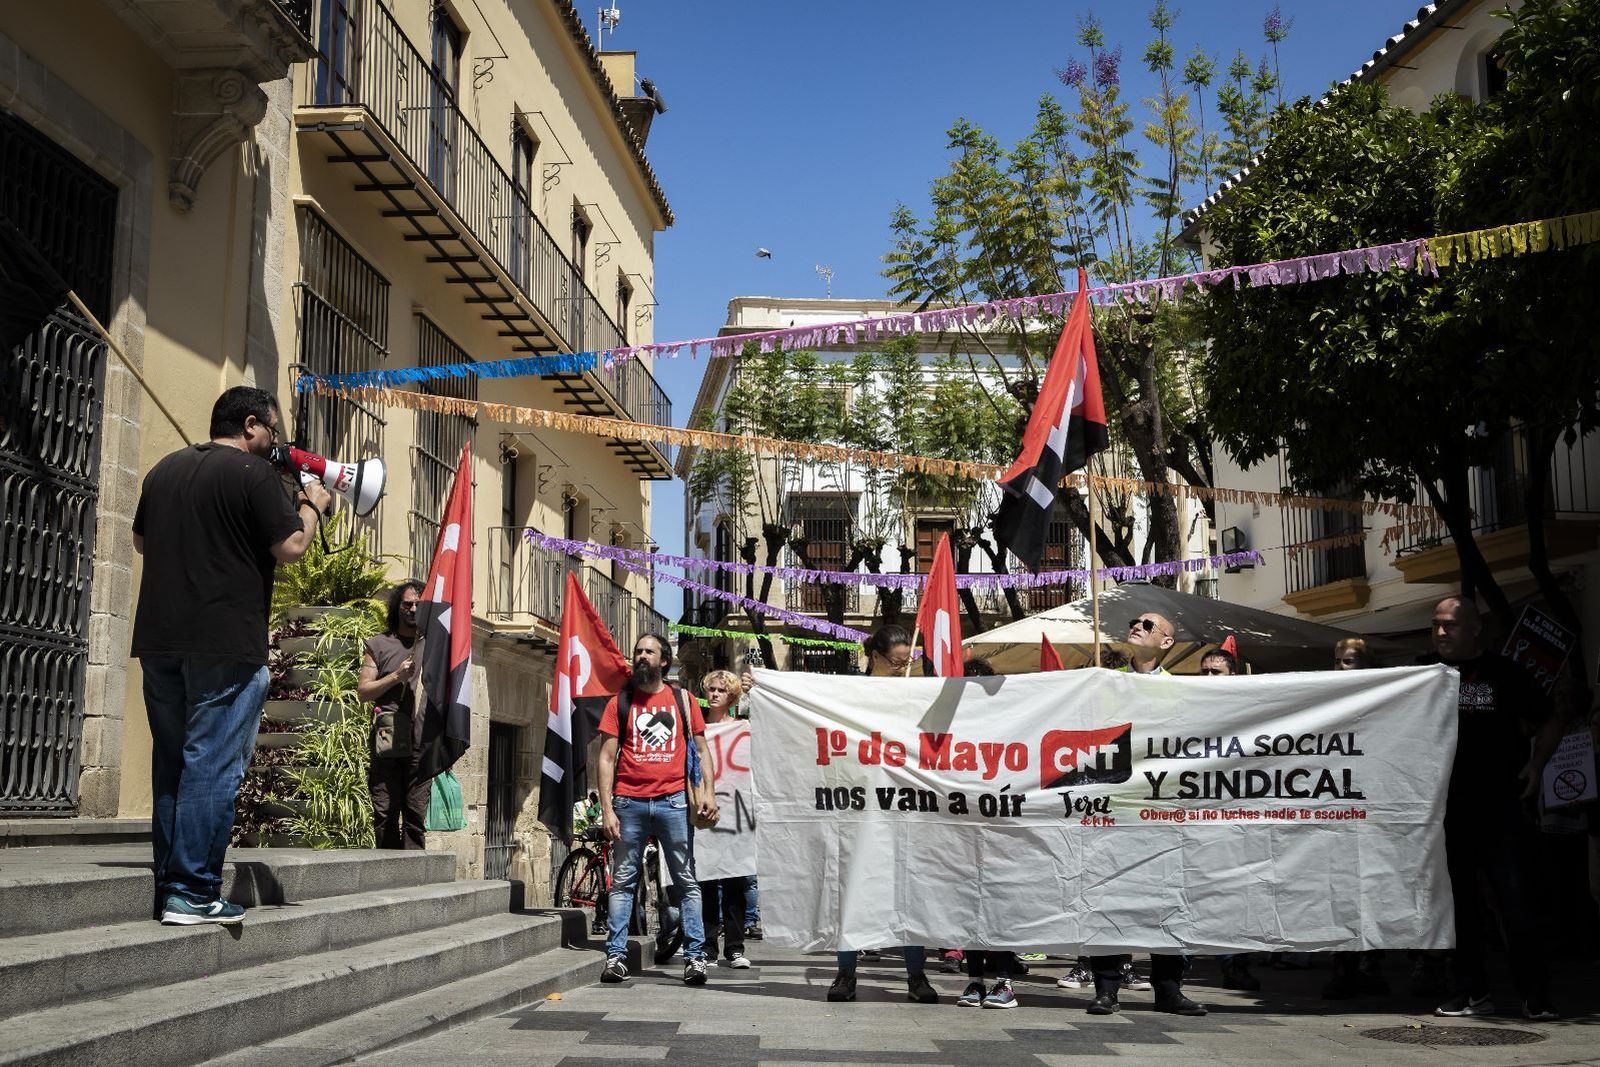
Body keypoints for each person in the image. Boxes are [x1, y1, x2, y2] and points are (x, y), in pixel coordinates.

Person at [132, 386, 331, 925]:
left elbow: (142, 543)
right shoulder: (254, 475)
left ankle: (171, 885)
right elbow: (291, 547)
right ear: (249, 425)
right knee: (214, 764)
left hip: (159, 641)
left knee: (173, 763)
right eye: (272, 430)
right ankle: (193, 892)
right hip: (225, 642)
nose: (276, 442)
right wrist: (311, 506)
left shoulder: (163, 470)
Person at [1426, 596, 1563, 1020]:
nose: (1441, 632)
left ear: (1475, 628)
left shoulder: (1506, 674)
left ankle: (1535, 996)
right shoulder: (1421, 673)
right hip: (1445, 811)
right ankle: (1471, 992)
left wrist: (1537, 765)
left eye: (1451, 624)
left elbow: (1551, 718)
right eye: (1436, 624)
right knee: (1459, 907)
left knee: (1515, 902)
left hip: (1501, 807)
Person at [1083, 613, 1206, 1016]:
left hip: (1162, 808)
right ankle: (1106, 988)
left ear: (1167, 642)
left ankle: (1168, 988)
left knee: (1167, 898)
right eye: (1135, 621)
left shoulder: (1178, 690)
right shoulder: (1107, 681)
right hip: (1116, 805)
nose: (1137, 626)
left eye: (1148, 625)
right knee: (1107, 896)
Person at [596, 633, 719, 987]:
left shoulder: (683, 700)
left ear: (664, 661)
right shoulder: (620, 702)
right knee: (623, 882)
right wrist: (607, 809)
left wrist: (709, 793)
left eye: (649, 652)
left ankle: (695, 959)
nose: (641, 656)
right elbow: (606, 758)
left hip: (674, 802)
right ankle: (616, 957)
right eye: (638, 651)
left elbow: (702, 749)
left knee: (686, 881)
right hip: (629, 803)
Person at [827, 625, 940, 1005]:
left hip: (903, 805)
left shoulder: (913, 694)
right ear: (875, 656)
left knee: (909, 889)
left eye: (908, 661)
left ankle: (916, 975)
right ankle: (846, 973)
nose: (903, 668)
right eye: (896, 661)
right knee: (850, 888)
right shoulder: (850, 693)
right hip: (856, 804)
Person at [1322, 636, 1390, 999]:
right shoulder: (1327, 700)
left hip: (1373, 808)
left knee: (1375, 889)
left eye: (1348, 661)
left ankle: (1371, 965)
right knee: (1340, 890)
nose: (1340, 667)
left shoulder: (1384, 700)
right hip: (1338, 808)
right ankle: (1342, 966)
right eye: (1337, 661)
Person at [357, 579, 428, 849]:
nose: (413, 609)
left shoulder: (434, 646)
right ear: (397, 606)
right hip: (387, 739)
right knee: (385, 813)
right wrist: (396, 676)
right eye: (407, 604)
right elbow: (363, 691)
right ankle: (388, 870)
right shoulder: (379, 644)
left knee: (415, 817)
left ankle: (413, 873)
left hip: (422, 741)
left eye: (418, 604)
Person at [697, 669, 752, 969]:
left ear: (731, 697)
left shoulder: (743, 728)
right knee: (705, 880)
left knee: (735, 880)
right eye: (712, 689)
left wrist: (755, 691)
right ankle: (707, 947)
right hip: (705, 810)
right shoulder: (698, 728)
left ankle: (734, 947)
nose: (715, 694)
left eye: (721, 690)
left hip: (736, 814)